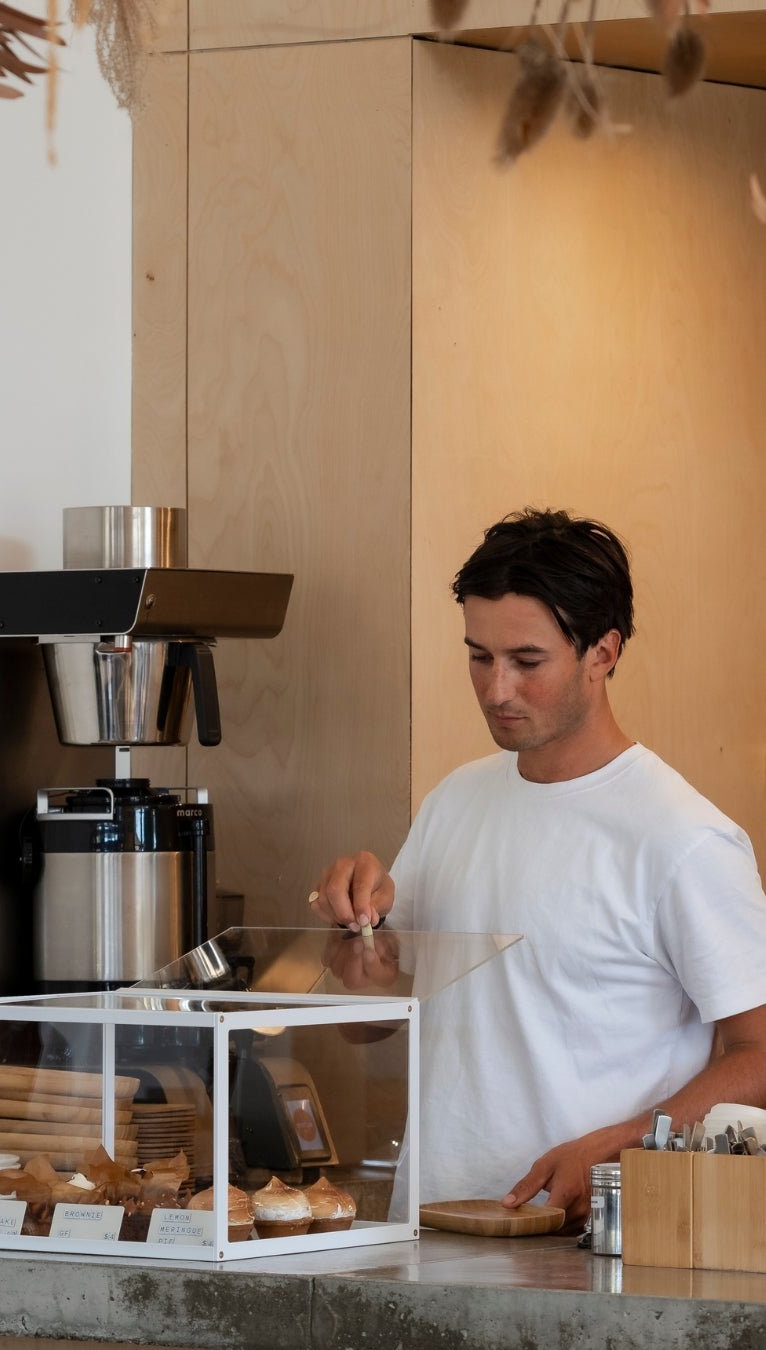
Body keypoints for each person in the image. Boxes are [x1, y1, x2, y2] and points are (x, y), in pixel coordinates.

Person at [309, 508, 766, 1223]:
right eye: (478, 656)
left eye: (527, 662)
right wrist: (356, 940)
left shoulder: (684, 838)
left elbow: (757, 1054)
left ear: (603, 653)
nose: (496, 690)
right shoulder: (456, 800)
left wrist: (629, 1143)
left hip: (592, 1239)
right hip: (431, 1227)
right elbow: (369, 1021)